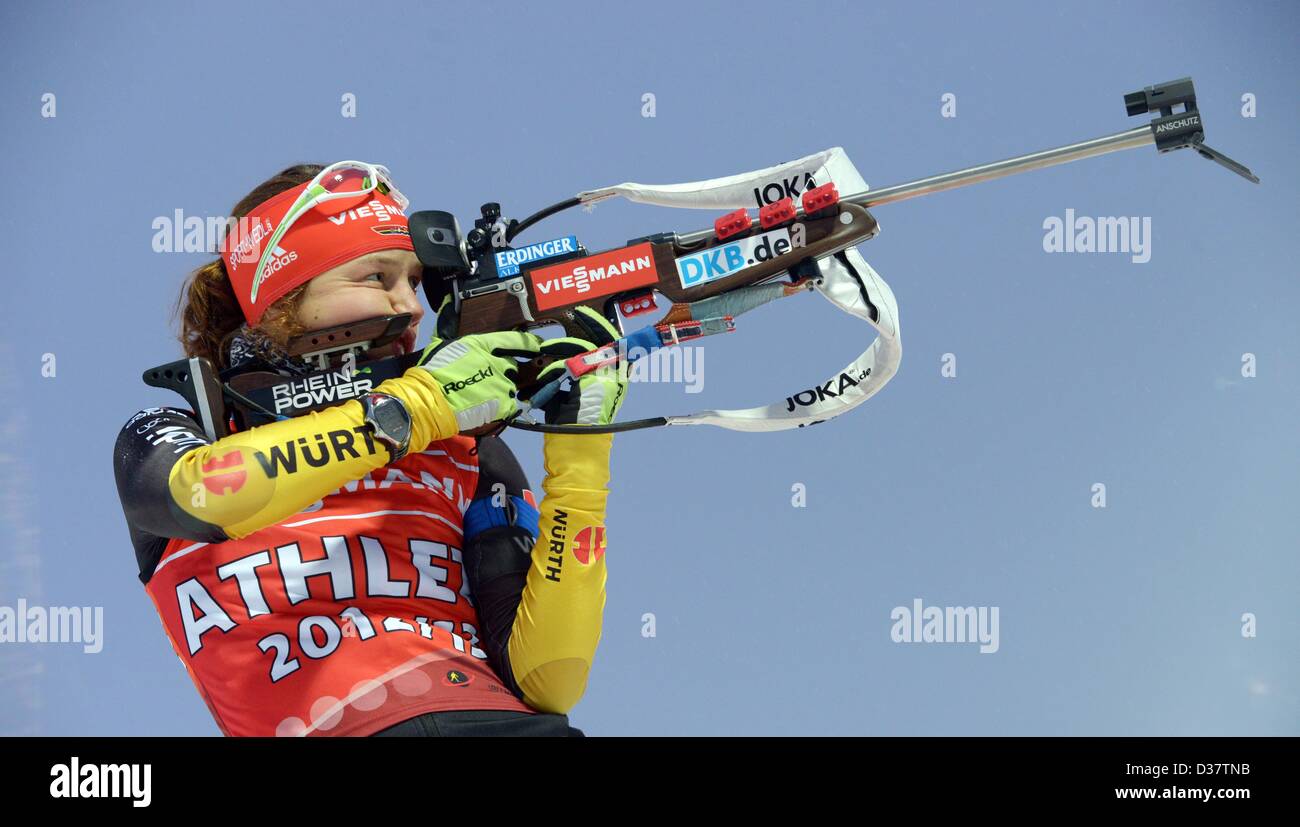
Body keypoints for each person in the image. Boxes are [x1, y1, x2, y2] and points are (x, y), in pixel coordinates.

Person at [113, 161, 628, 736]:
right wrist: (413, 407)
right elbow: (203, 494)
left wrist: (580, 457)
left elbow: (547, 681)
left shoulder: (462, 447)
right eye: (375, 278)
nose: (410, 307)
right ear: (282, 296)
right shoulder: (183, 430)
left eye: (413, 281)